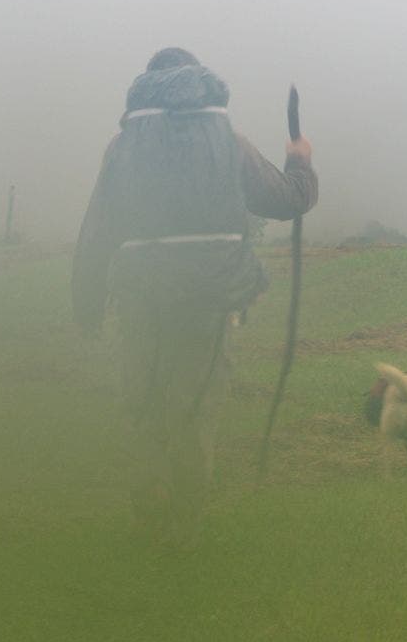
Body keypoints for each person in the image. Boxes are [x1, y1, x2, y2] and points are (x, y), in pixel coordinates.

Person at [72, 47, 317, 548]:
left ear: (147, 87)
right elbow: (287, 200)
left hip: (140, 297)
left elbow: (97, 230)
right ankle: (184, 528)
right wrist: (300, 162)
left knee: (141, 403)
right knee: (193, 407)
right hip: (208, 299)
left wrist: (88, 303)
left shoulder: (123, 147)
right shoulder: (227, 140)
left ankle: (149, 511)